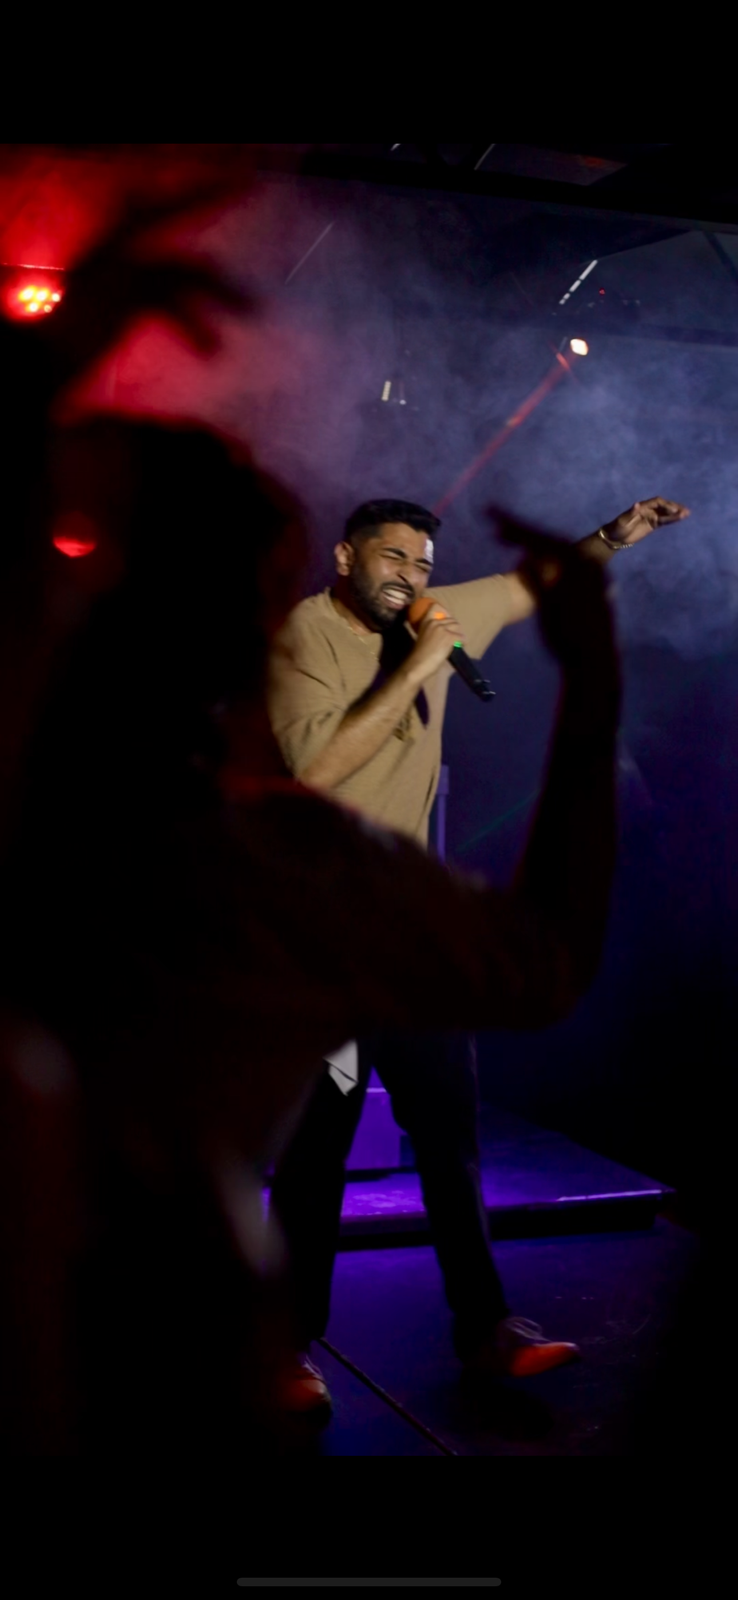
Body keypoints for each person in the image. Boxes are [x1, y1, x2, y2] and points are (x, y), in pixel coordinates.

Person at [266, 492, 689, 1416]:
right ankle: (285, 1350)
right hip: (328, 954)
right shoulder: (304, 637)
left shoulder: (431, 613)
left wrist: (612, 537)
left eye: (422, 563)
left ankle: (487, 1329)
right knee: (315, 1155)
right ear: (345, 559)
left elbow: (527, 586)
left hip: (415, 947)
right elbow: (315, 771)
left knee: (451, 1139)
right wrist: (420, 666)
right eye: (392, 557)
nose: (410, 577)